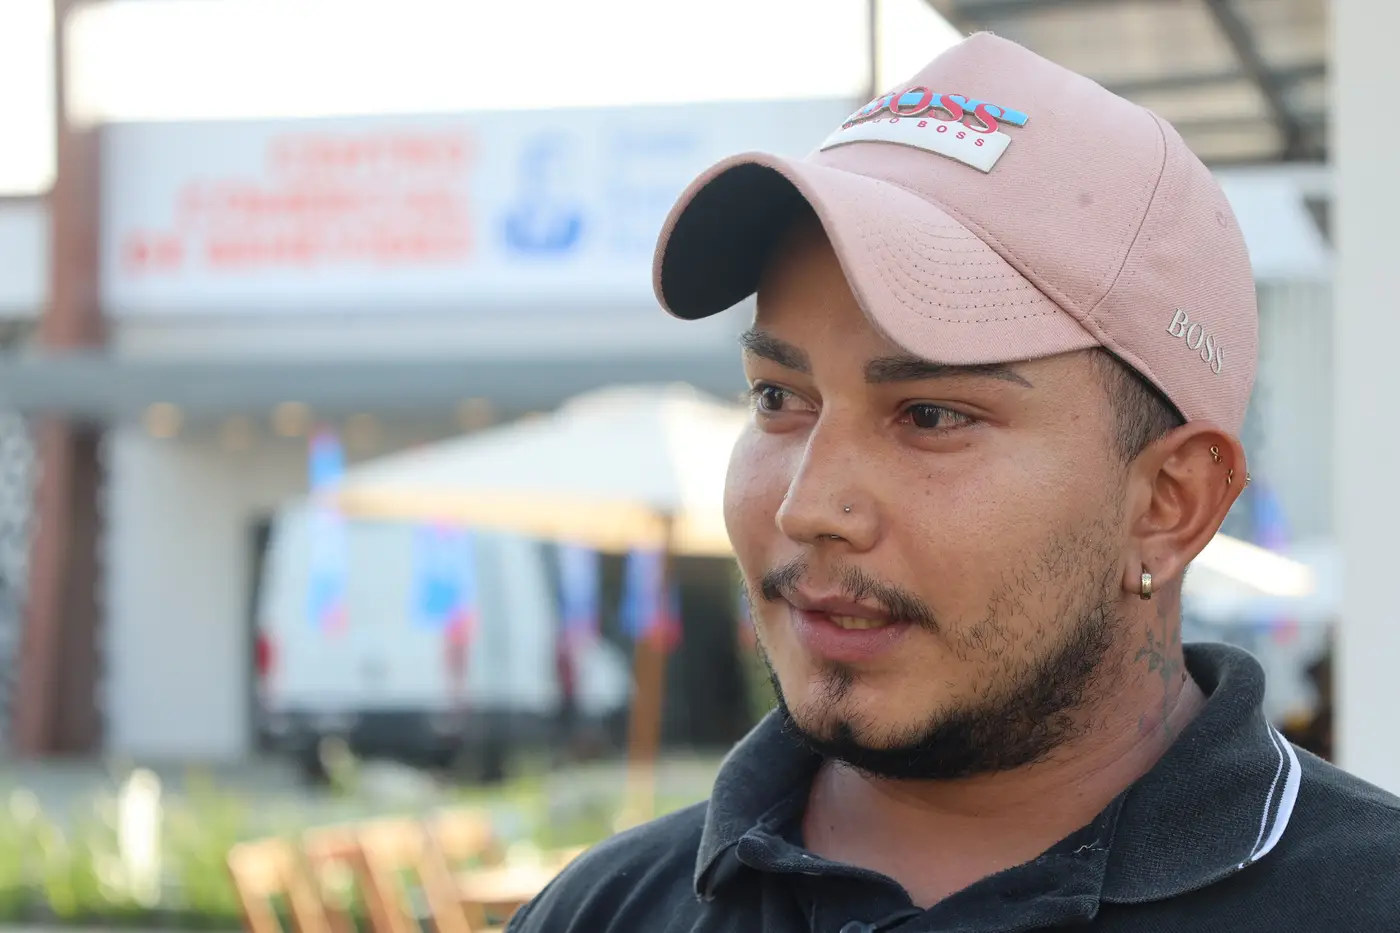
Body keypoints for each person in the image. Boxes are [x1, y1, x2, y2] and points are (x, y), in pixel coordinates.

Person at [506, 33, 1400, 933]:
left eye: (930, 415)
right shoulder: (603, 911)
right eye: (778, 397)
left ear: (1170, 503)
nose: (807, 507)